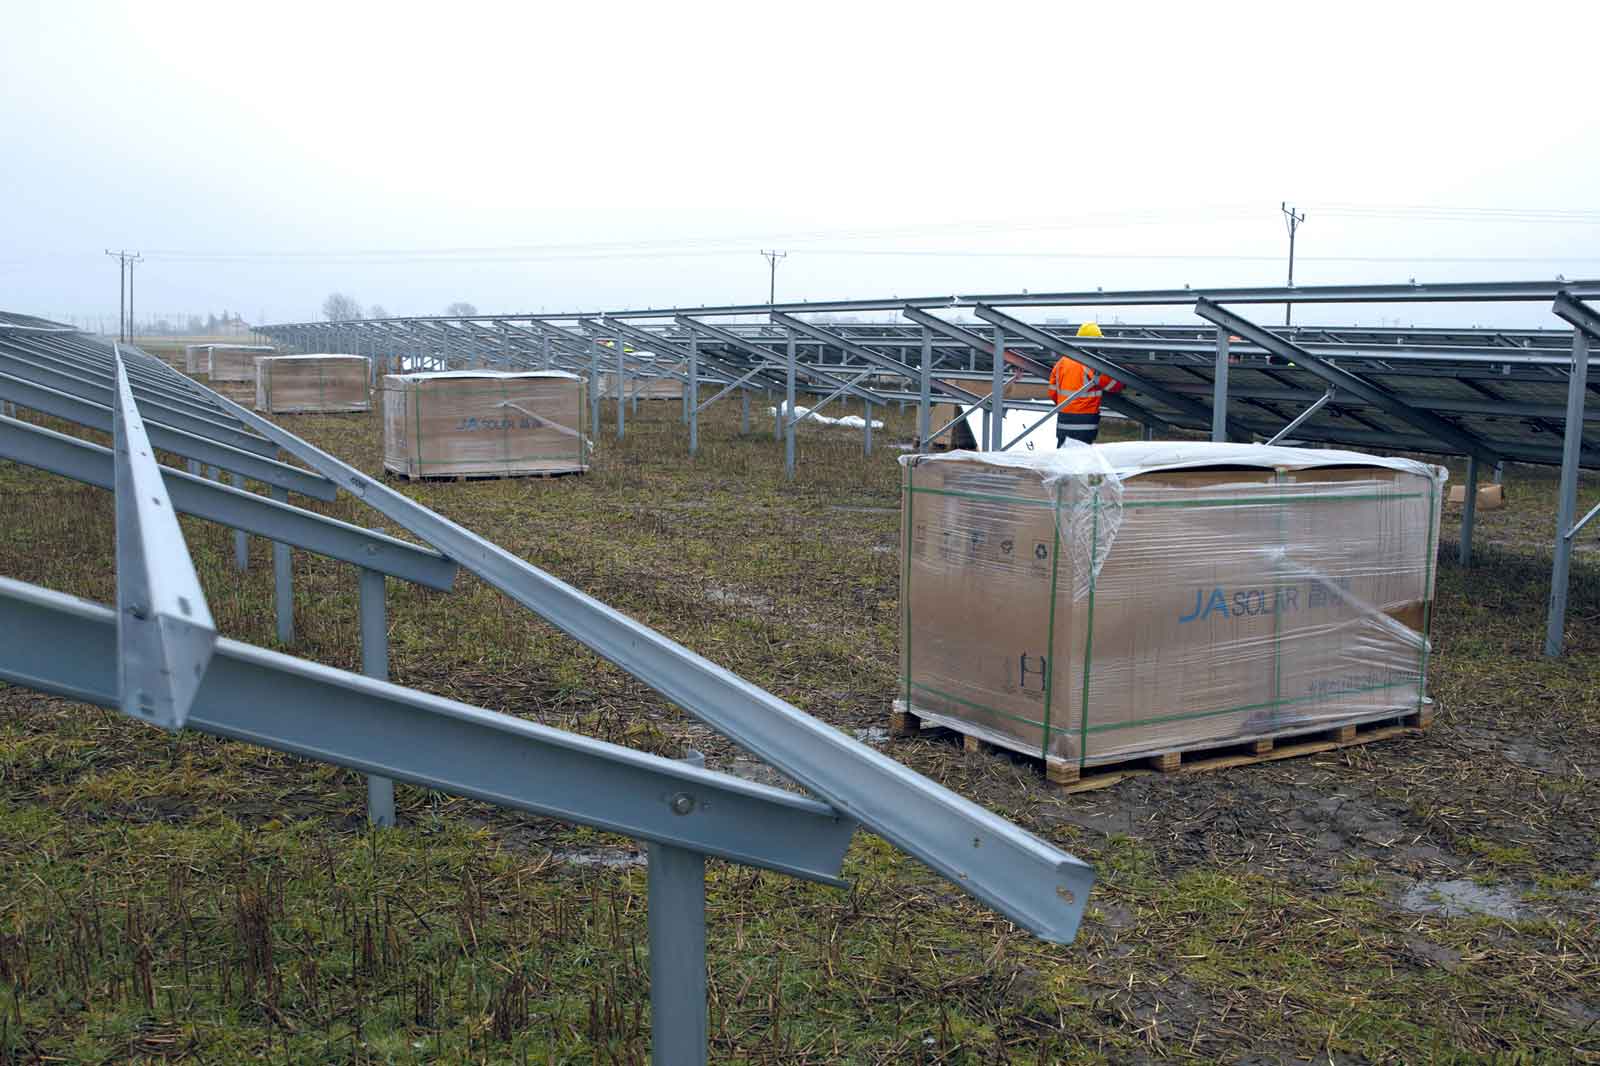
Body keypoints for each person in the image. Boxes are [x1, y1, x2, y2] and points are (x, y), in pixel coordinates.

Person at [1049, 322, 1123, 445]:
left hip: (1063, 417)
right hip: (1085, 420)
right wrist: (1123, 383)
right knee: (1084, 457)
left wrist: (1065, 405)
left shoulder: (1062, 361)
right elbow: (1111, 385)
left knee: (1063, 456)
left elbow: (1052, 391)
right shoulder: (1091, 363)